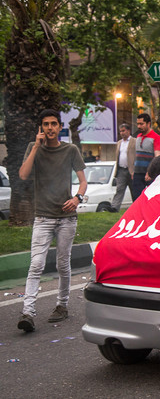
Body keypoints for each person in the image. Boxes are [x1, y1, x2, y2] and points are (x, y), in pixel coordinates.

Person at [17, 109, 87, 332]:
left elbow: (83, 182)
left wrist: (77, 198)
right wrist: (36, 146)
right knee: (36, 265)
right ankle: (28, 312)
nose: (49, 128)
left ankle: (62, 305)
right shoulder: (33, 148)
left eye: (53, 124)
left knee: (62, 264)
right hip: (42, 217)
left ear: (60, 127)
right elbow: (23, 175)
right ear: (41, 127)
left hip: (66, 218)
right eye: (45, 124)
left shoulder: (70, 150)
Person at [132, 113, 160, 201]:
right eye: (138, 124)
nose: (139, 126)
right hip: (137, 173)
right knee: (136, 198)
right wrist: (133, 170)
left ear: (148, 124)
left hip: (150, 174)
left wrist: (150, 172)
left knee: (151, 198)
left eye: (141, 124)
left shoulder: (156, 137)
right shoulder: (138, 137)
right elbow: (136, 155)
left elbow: (157, 156)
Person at [110, 123, 135, 212]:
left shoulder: (134, 141)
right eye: (120, 131)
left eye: (123, 131)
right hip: (121, 170)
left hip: (132, 170)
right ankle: (114, 207)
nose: (122, 133)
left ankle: (136, 207)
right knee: (119, 189)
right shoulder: (119, 143)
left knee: (134, 190)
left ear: (128, 131)